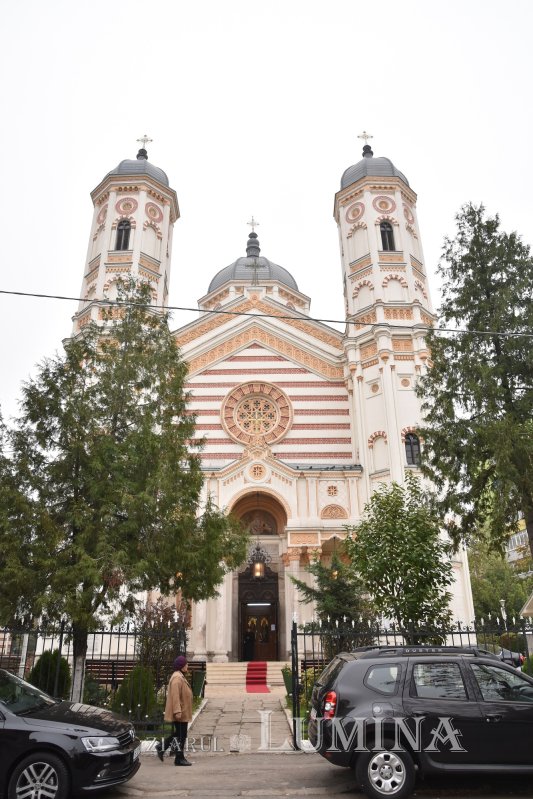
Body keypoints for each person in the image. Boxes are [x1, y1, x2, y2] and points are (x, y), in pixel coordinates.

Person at [156, 655, 193, 766]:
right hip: (180, 712)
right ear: (181, 666)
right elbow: (175, 696)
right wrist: (177, 711)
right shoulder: (177, 678)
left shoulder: (180, 676)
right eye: (186, 664)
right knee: (181, 735)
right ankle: (179, 758)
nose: (187, 665)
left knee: (179, 734)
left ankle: (162, 748)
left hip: (183, 711)